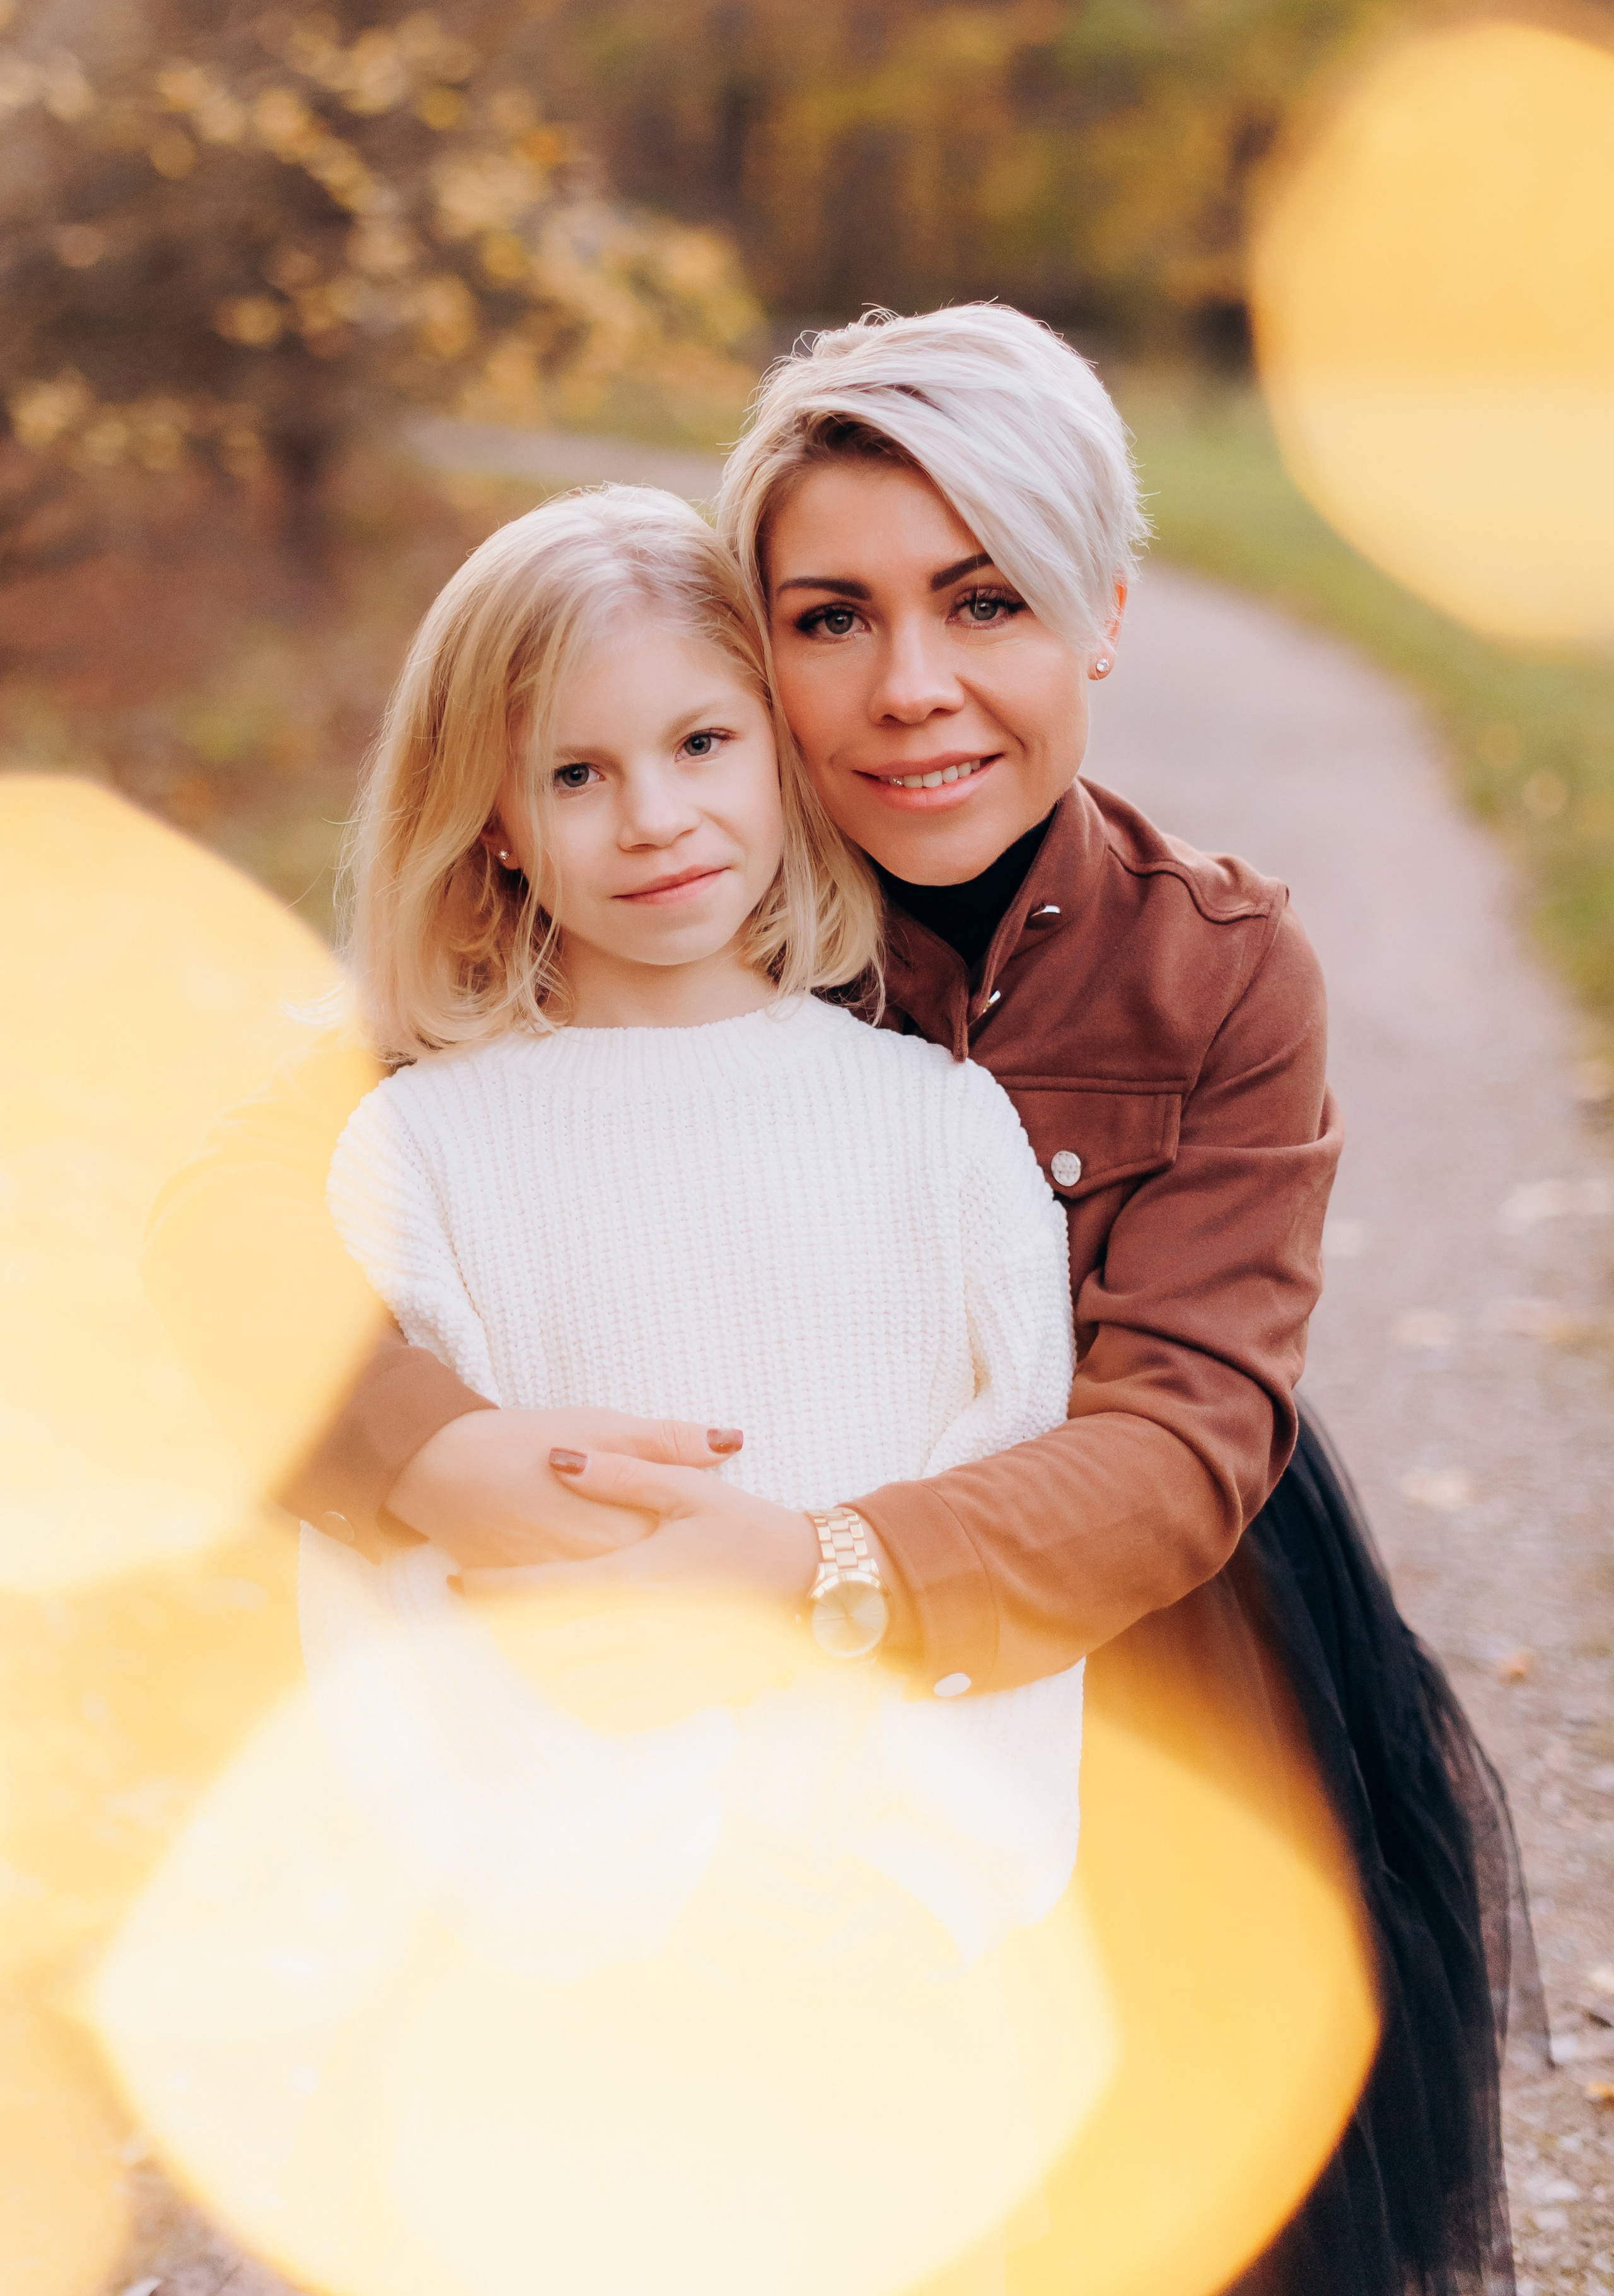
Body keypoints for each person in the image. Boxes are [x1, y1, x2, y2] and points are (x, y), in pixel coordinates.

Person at [145, 304, 1528, 2294]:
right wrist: (434, 1450)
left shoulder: (1215, 971)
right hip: (637, 1704)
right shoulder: (663, 892)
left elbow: (1191, 1424)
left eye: (987, 605)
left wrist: (817, 1566)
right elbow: (233, 1217)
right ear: (742, 639)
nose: (913, 691)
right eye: (828, 620)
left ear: (1105, 615)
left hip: (1109, 1626)